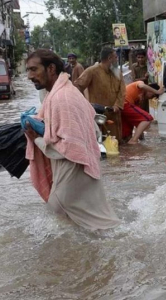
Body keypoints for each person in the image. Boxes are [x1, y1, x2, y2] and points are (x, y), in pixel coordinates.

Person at [24, 49, 120, 230]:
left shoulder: (61, 97)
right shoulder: (67, 92)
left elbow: (68, 146)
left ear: (51, 69)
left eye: (33, 69)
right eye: (28, 71)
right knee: (103, 225)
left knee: (64, 225)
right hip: (84, 172)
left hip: (70, 177)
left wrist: (36, 138)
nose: (29, 76)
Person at [74, 47, 126, 142]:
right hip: (98, 114)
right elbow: (77, 86)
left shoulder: (117, 72)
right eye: (115, 57)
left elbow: (122, 91)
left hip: (114, 113)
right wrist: (85, 104)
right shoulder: (92, 71)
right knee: (98, 141)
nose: (117, 60)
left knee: (115, 143)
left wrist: (117, 105)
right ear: (110, 58)